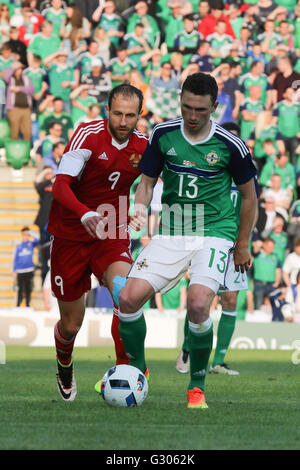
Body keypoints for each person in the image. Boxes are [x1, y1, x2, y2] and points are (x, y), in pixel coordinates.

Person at [112, 72, 257, 408]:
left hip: (215, 231)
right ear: (180, 100)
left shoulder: (229, 144)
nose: (193, 116)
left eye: (201, 110)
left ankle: (197, 387)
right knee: (129, 298)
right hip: (172, 229)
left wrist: (243, 243)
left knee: (197, 304)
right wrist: (138, 207)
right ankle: (138, 371)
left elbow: (250, 197)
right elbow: (146, 183)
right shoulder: (163, 134)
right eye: (187, 107)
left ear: (214, 107)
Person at [46, 84, 148, 401]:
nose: (122, 120)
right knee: (72, 324)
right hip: (70, 235)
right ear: (107, 110)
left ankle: (125, 372)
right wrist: (84, 213)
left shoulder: (144, 145)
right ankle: (65, 364)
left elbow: (148, 182)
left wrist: (141, 208)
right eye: (117, 113)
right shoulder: (87, 135)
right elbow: (60, 185)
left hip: (112, 233)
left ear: (139, 115)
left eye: (130, 115)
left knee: (125, 293)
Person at [176, 121, 258, 376]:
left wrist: (245, 241)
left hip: (236, 242)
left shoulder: (248, 172)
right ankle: (189, 345)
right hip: (209, 238)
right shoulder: (211, 169)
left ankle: (219, 361)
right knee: (203, 300)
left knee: (231, 299)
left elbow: (252, 207)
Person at [12, 226, 39, 308]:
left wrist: (31, 233)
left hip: (29, 270)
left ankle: (27, 304)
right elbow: (15, 258)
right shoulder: (18, 246)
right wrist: (14, 270)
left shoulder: (31, 243)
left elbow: (37, 239)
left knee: (28, 288)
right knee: (20, 289)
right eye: (24, 234)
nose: (26, 236)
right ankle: (18, 304)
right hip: (20, 271)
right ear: (22, 235)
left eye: (27, 234)